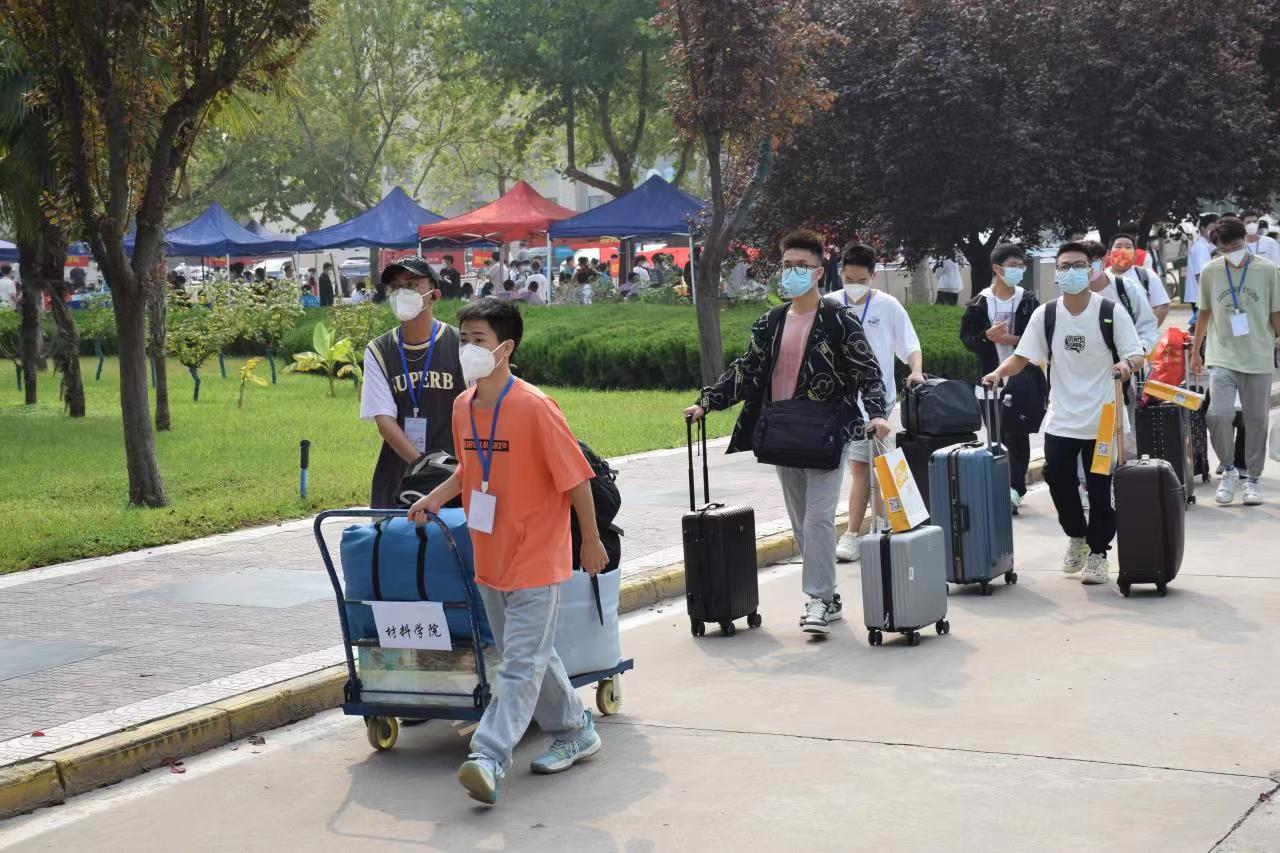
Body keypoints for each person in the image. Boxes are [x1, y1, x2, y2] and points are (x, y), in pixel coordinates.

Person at [407, 298, 608, 806]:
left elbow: (576, 479)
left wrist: (591, 540)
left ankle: (488, 757)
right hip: (490, 553)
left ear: (506, 347)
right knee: (531, 654)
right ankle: (576, 729)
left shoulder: (535, 407)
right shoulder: (463, 405)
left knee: (518, 662)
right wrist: (434, 498)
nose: (467, 349)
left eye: (479, 340)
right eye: (463, 339)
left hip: (537, 554)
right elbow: (468, 468)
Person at [684, 229, 888, 635]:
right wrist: (707, 401)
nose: (793, 272)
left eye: (802, 266)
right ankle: (829, 596)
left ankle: (817, 599)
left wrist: (878, 414)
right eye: (787, 265)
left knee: (817, 520)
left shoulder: (838, 318)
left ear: (819, 272)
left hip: (826, 433)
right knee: (801, 523)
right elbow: (747, 369)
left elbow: (868, 371)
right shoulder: (771, 321)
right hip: (783, 431)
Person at [981, 242, 1145, 586]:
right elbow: (1022, 356)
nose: (1072, 271)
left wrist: (1125, 366)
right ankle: (1077, 536)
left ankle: (1098, 554)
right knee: (1057, 478)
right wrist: (999, 373)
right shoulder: (1047, 315)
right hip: (1062, 416)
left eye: (1079, 265)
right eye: (1065, 266)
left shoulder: (1110, 312)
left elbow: (1136, 354)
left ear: (1091, 269)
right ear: (1056, 273)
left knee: (1099, 489)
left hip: (1104, 418)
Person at [829, 243, 924, 562]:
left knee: (863, 468)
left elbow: (909, 344)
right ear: (841, 274)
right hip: (838, 402)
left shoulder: (888, 306)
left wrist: (916, 370)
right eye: (848, 279)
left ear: (873, 276)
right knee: (876, 468)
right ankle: (885, 524)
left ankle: (853, 534)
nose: (854, 286)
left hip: (875, 403)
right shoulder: (829, 305)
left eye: (861, 280)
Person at [359, 257, 465, 509]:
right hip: (400, 473)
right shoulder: (379, 350)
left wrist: (447, 474)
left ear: (434, 295)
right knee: (396, 534)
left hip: (455, 473)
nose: (401, 293)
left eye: (411, 284)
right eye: (395, 287)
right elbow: (384, 421)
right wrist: (424, 468)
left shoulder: (460, 344)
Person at [1189, 216, 1280, 506]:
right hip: (1222, 355)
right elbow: (1204, 312)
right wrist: (1195, 350)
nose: (1232, 252)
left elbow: (1275, 313)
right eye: (1225, 248)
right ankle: (1228, 470)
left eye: (1236, 245)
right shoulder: (1211, 270)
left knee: (1256, 419)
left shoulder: (1268, 270)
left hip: (1258, 356)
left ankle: (1252, 478)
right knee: (1217, 415)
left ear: (1245, 240)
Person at [960, 242, 1041, 510]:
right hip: (989, 380)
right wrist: (986, 336)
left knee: (1017, 434)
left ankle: (1015, 489)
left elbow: (1039, 336)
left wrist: (1011, 339)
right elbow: (967, 338)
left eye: (1020, 265)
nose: (1018, 270)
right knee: (996, 435)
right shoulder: (979, 303)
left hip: (1022, 379)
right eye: (1012, 265)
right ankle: (1000, 486)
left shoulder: (1028, 300)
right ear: (997, 268)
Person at [1086, 240, 1159, 352]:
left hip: (1126, 358)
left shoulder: (1127, 288)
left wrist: (1139, 351)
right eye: (1083, 263)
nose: (1089, 266)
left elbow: (1147, 324)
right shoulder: (1069, 293)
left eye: (1093, 260)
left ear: (1104, 260)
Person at [1107, 233, 1171, 327]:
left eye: (1128, 247)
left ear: (1135, 255)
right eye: (1118, 246)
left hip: (1139, 334)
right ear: (1109, 254)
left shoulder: (1147, 275)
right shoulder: (1100, 278)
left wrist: (1147, 331)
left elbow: (1162, 306)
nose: (1123, 250)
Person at [1185, 214, 1218, 326]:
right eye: (1213, 227)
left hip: (1202, 296)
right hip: (1201, 297)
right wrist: (1210, 295)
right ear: (1203, 228)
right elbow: (1200, 274)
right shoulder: (1200, 247)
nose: (1216, 230)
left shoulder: (1207, 245)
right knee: (1204, 327)